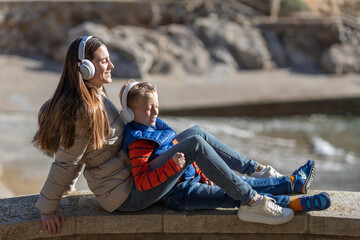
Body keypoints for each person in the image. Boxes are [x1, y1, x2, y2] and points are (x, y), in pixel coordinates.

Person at [118, 79, 331, 225]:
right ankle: (293, 203)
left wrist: (202, 175)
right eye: (148, 109)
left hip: (189, 181)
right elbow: (143, 182)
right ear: (128, 114)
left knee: (199, 137)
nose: (155, 112)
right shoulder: (139, 142)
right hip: (179, 194)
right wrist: (172, 167)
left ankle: (291, 183)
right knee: (230, 193)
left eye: (156, 106)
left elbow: (186, 159)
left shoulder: (154, 126)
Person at [33, 36, 133, 235]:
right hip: (122, 189)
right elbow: (67, 161)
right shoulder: (83, 111)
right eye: (104, 61)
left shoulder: (96, 93)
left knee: (194, 140)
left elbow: (81, 151)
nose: (111, 65)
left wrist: (67, 188)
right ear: (85, 68)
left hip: (124, 181)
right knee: (196, 140)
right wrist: (48, 209)